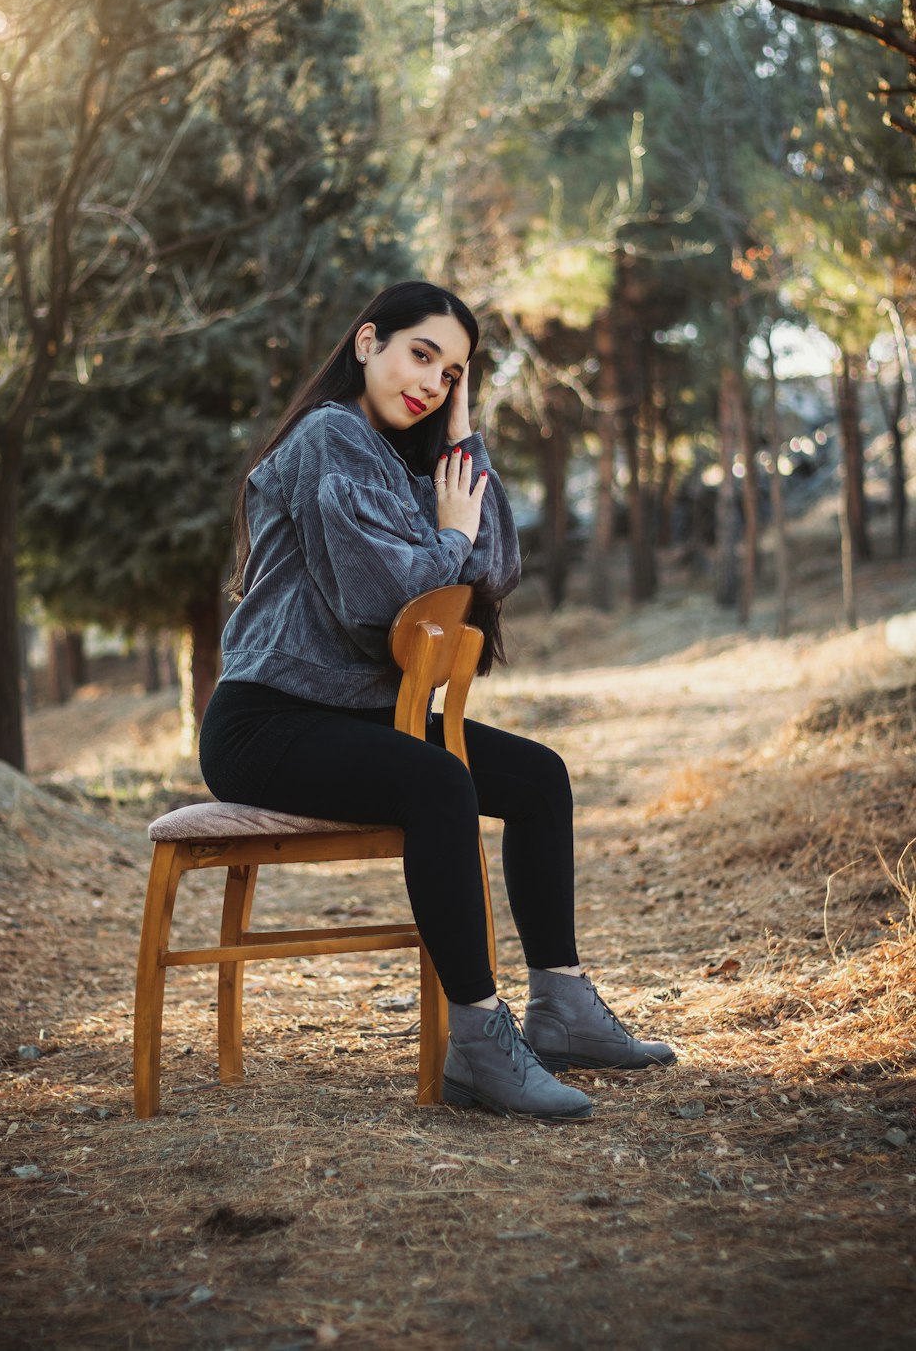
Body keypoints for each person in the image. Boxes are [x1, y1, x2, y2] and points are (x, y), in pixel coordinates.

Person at [199, 280, 675, 1122]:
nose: (432, 381)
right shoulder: (328, 439)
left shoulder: (402, 458)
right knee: (437, 781)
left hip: (351, 716)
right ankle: (479, 1044)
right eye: (421, 355)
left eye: (452, 373)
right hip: (266, 719)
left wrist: (463, 440)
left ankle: (560, 1008)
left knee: (537, 778)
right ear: (366, 341)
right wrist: (448, 537)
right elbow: (376, 600)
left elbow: (494, 570)